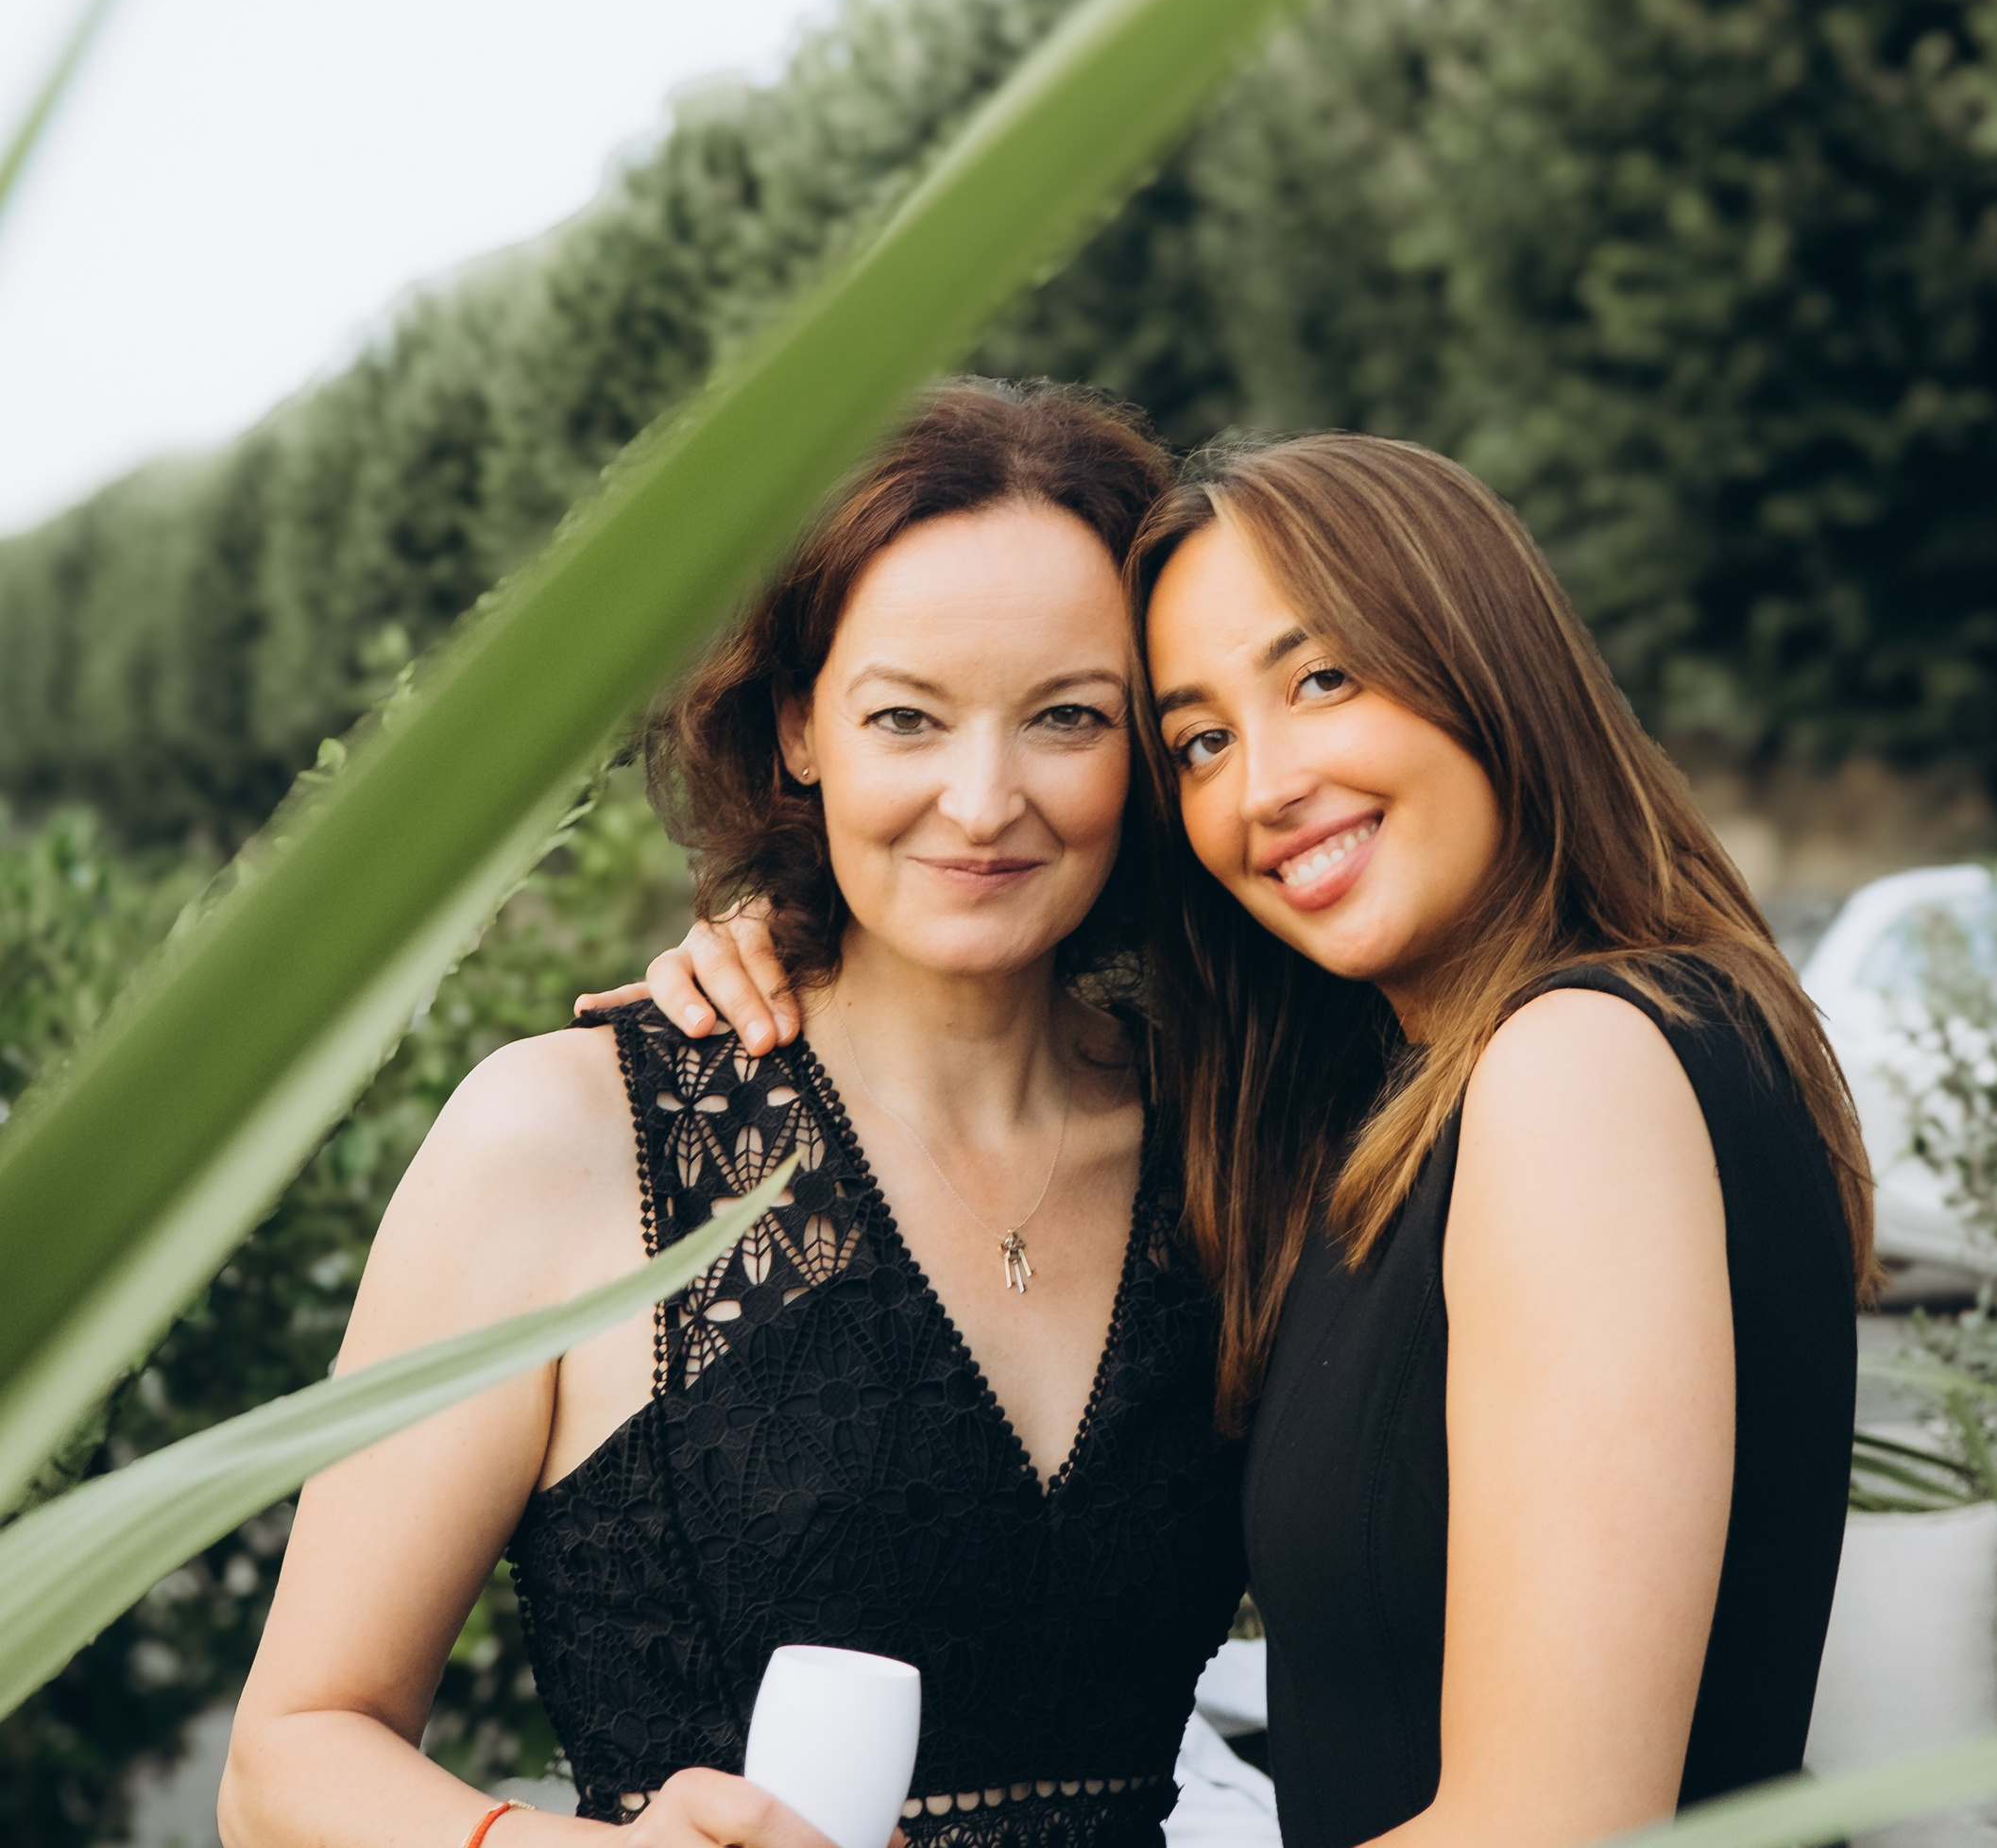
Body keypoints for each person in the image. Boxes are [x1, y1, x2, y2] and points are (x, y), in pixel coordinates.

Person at [636, 428, 1872, 1848]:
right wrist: (799, 933)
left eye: (1323, 678)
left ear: (1483, 658)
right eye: (1201, 740)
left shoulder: (1573, 1067)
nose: (1265, 786)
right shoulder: (1450, 1085)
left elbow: (1557, 1826)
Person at [221, 381, 1244, 1848]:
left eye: (1067, 719)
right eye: (906, 716)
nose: (981, 798)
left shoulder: (1236, 1141)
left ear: (1146, 748)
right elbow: (283, 1765)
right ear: (798, 728)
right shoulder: (565, 1138)